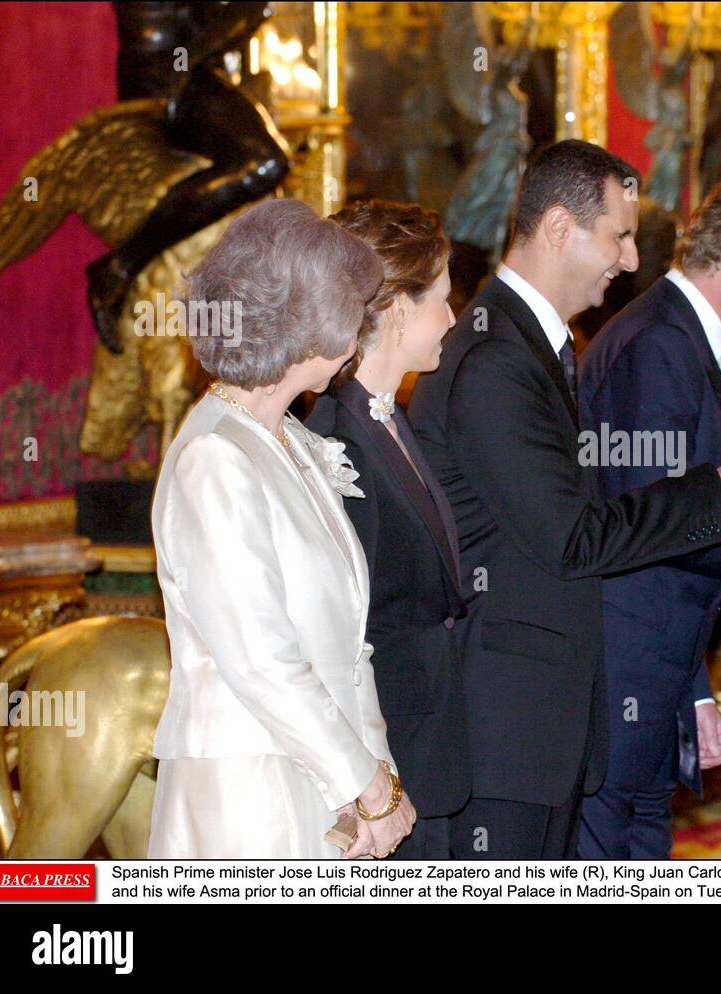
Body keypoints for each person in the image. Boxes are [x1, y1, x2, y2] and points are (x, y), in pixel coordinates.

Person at [406, 140, 721, 859]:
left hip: (542, 725)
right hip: (507, 732)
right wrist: (717, 492)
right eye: (617, 236)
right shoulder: (497, 358)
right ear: (560, 228)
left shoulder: (536, 347)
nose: (627, 259)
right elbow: (572, 536)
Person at [149, 198, 415, 859]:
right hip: (252, 800)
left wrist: (380, 775)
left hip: (325, 785)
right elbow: (261, 661)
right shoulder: (215, 458)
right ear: (310, 328)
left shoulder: (287, 441)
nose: (359, 332)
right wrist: (367, 787)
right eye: (352, 311)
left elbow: (352, 649)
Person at [576, 174, 721, 859]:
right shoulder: (658, 344)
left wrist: (695, 693)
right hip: (621, 672)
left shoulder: (676, 336)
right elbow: (658, 514)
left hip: (653, 668)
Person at [305, 200, 468, 859]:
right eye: (442, 300)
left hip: (432, 751)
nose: (454, 319)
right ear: (397, 307)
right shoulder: (334, 439)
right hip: (389, 770)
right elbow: (337, 633)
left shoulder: (389, 421)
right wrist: (370, 784)